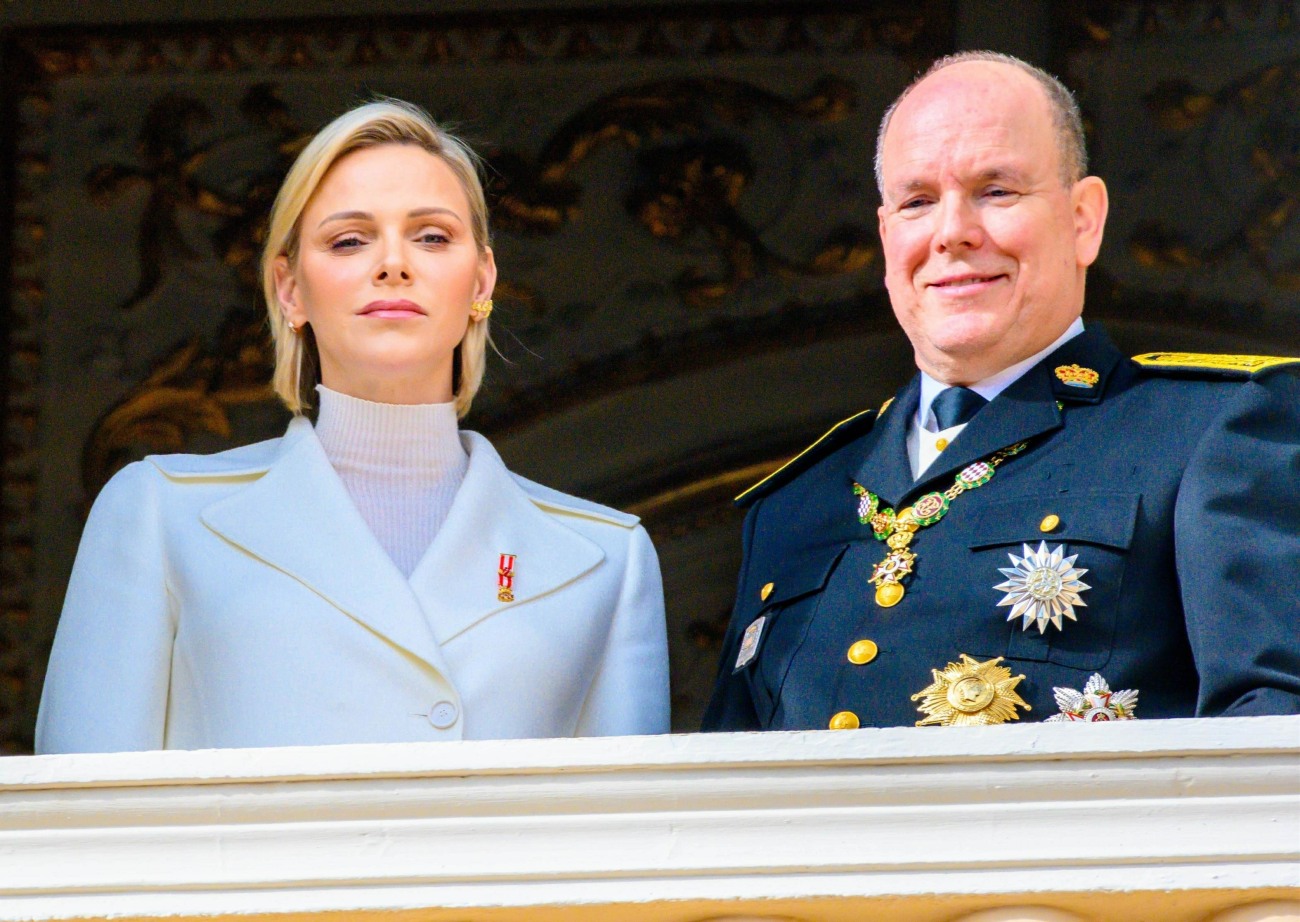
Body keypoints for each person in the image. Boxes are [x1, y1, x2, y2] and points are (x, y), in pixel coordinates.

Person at [37, 99, 670, 752]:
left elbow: (631, 815)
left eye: (432, 236)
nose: (393, 263)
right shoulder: (159, 514)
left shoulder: (607, 558)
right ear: (290, 289)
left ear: (482, 280)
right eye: (348, 240)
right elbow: (87, 802)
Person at [703, 52, 1300, 732]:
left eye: (996, 191)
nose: (952, 232)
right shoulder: (793, 504)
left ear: (1084, 218)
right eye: (917, 202)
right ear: (886, 235)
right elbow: (723, 778)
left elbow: (1275, 734)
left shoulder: (1209, 431)